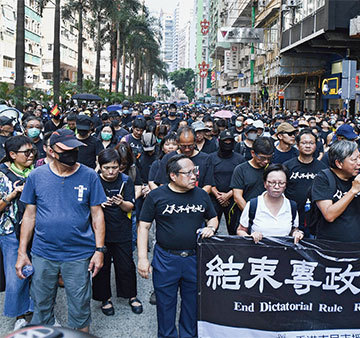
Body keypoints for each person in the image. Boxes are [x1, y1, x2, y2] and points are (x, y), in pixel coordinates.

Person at [15, 128, 107, 333]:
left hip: (78, 255)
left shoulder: (90, 175)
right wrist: (22, 253)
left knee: (80, 308)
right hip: (43, 253)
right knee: (41, 306)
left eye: (74, 149)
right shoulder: (36, 176)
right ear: (50, 151)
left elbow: (97, 215)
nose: (71, 154)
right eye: (66, 150)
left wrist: (99, 250)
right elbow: (29, 216)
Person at [137, 155, 218, 338]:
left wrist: (211, 227)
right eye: (188, 173)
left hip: (194, 258)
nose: (194, 176)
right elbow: (144, 226)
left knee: (192, 306)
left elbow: (212, 217)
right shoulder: (157, 196)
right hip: (166, 259)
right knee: (165, 305)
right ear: (173, 175)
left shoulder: (201, 194)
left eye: (195, 171)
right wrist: (142, 258)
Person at [93, 149, 141, 316]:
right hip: (100, 231)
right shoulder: (94, 180)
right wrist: (99, 203)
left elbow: (131, 206)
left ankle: (131, 295)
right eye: (107, 168)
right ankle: (104, 298)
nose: (111, 171)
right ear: (100, 166)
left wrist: (121, 203)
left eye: (114, 167)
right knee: (102, 265)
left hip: (122, 228)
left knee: (126, 265)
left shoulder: (125, 180)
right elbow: (86, 206)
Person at [311, 140, 360, 242]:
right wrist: (353, 190)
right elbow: (329, 215)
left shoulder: (357, 176)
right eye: (354, 160)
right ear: (339, 163)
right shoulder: (323, 178)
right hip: (332, 246)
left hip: (358, 242)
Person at [0, 136, 35, 330]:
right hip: (10, 231)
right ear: (12, 155)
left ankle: (36, 308)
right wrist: (12, 195)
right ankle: (19, 315)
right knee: (16, 275)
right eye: (26, 152)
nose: (31, 155)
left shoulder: (38, 171)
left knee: (38, 273)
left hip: (37, 230)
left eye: (32, 151)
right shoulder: (2, 175)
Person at [237, 164, 302, 244]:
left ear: (286, 185)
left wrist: (296, 233)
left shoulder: (291, 206)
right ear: (265, 184)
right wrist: (250, 237)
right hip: (258, 253)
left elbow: (294, 228)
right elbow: (240, 230)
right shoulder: (253, 204)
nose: (277, 187)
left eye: (281, 183)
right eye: (272, 183)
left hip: (284, 252)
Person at [283, 129, 327, 233]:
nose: (308, 146)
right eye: (304, 143)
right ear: (297, 145)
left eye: (311, 143)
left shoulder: (323, 169)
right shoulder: (287, 166)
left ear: (316, 145)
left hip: (315, 220)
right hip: (291, 218)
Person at [229, 137, 274, 235]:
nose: (266, 161)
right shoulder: (241, 169)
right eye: (262, 158)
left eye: (269, 158)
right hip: (244, 217)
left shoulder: (272, 170)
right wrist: (252, 215)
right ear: (253, 153)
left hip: (267, 218)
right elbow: (237, 197)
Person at [153, 127, 213, 193]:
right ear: (177, 142)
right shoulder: (168, 158)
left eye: (190, 146)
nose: (187, 149)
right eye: (183, 146)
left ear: (195, 142)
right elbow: (163, 183)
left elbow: (208, 185)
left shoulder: (205, 158)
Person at [207, 130, 245, 233]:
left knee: (234, 229)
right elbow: (208, 178)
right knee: (211, 229)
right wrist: (218, 195)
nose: (228, 143)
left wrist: (228, 195)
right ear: (219, 142)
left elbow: (242, 180)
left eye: (230, 141)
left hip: (233, 198)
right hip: (214, 198)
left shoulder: (240, 159)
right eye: (225, 141)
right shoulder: (210, 158)